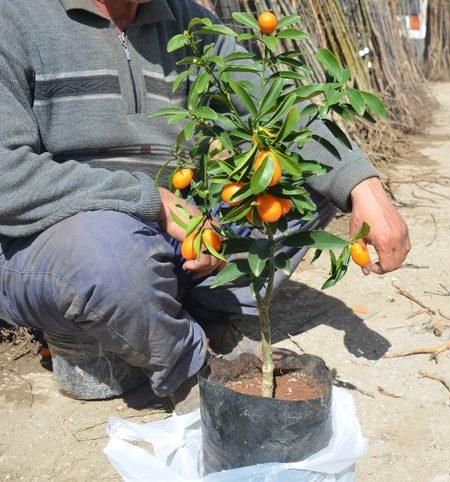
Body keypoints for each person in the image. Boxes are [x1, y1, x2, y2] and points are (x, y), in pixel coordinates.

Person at [0, 0, 410, 407]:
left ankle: (207, 312)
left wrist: (362, 185)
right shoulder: (15, 19)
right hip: (65, 242)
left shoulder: (185, 21)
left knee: (297, 172)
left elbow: (280, 106)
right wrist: (154, 202)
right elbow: (8, 175)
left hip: (182, 233)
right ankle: (193, 369)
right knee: (110, 255)